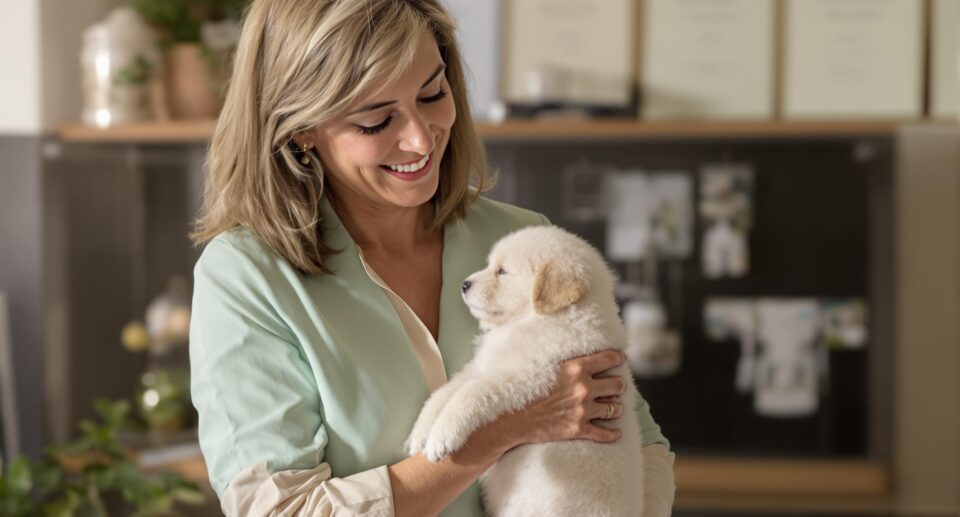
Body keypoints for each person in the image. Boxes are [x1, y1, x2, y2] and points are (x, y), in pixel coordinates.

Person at [189, 0, 676, 515]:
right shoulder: (247, 277)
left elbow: (636, 439)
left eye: (432, 93)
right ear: (301, 129)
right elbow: (282, 510)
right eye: (377, 120)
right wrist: (503, 427)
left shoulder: (521, 239)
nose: (421, 138)